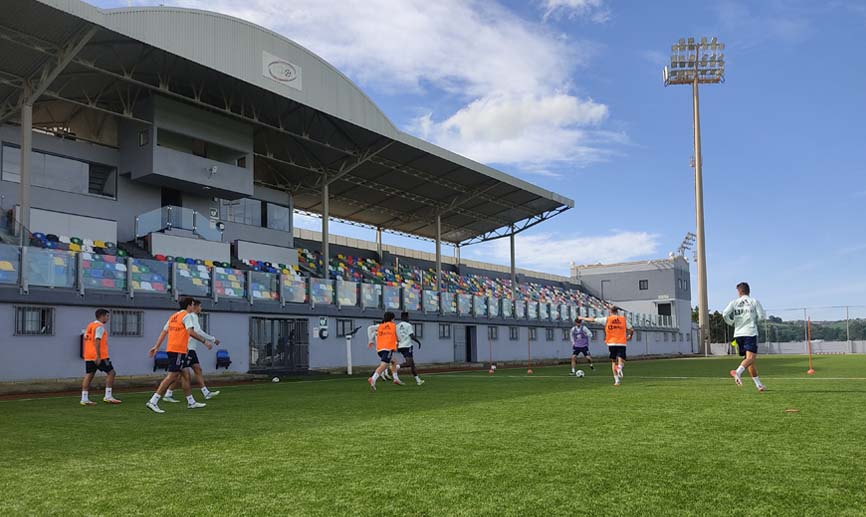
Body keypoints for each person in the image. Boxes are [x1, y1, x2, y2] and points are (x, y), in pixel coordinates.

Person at [145, 297, 213, 413]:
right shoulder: (187, 316)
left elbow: (164, 331)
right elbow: (191, 332)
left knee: (185, 375)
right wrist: (205, 341)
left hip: (173, 349)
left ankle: (191, 402)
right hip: (177, 351)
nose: (194, 307)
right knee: (172, 376)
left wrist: (156, 346)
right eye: (193, 304)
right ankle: (153, 401)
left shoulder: (173, 316)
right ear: (189, 305)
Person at [163, 305, 221, 403]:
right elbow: (197, 331)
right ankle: (168, 394)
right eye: (200, 306)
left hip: (190, 349)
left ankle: (205, 393)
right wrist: (212, 339)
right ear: (194, 307)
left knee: (197, 369)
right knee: (181, 373)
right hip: (187, 348)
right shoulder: (191, 316)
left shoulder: (184, 316)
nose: (201, 308)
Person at [723, 282, 767, 392]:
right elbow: (761, 316)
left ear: (739, 292)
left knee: (748, 360)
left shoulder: (734, 302)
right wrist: (755, 321)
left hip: (738, 334)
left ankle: (759, 385)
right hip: (750, 332)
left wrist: (732, 322)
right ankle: (737, 372)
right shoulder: (754, 301)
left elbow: (725, 314)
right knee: (751, 358)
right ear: (749, 291)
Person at [580, 305, 634, 386]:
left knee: (613, 361)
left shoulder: (607, 319)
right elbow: (631, 329)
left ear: (610, 311)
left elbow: (593, 320)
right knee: (621, 359)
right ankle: (619, 368)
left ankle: (617, 381)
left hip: (611, 343)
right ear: (617, 311)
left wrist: (582, 318)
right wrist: (630, 336)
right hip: (621, 342)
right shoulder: (623, 319)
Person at [80, 308, 121, 405]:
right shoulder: (100, 327)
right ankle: (108, 396)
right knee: (111, 373)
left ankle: (84, 398)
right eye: (107, 316)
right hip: (100, 356)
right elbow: (97, 340)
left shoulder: (90, 325)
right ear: (102, 316)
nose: (108, 318)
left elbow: (86, 337)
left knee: (89, 375)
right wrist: (98, 356)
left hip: (89, 355)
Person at [367, 312, 401, 391]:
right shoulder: (394, 326)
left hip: (379, 349)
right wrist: (397, 341)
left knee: (394, 361)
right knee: (383, 366)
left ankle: (396, 378)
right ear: (392, 319)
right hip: (388, 348)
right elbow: (399, 338)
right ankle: (373, 379)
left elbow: (369, 328)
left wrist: (370, 340)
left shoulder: (380, 326)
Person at [396, 311, 424, 386]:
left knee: (412, 364)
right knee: (409, 363)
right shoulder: (408, 325)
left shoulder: (397, 326)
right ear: (405, 317)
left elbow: (396, 337)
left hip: (400, 346)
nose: (409, 318)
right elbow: (411, 336)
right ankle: (395, 367)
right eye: (408, 317)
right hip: (407, 346)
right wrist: (418, 342)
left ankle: (418, 380)